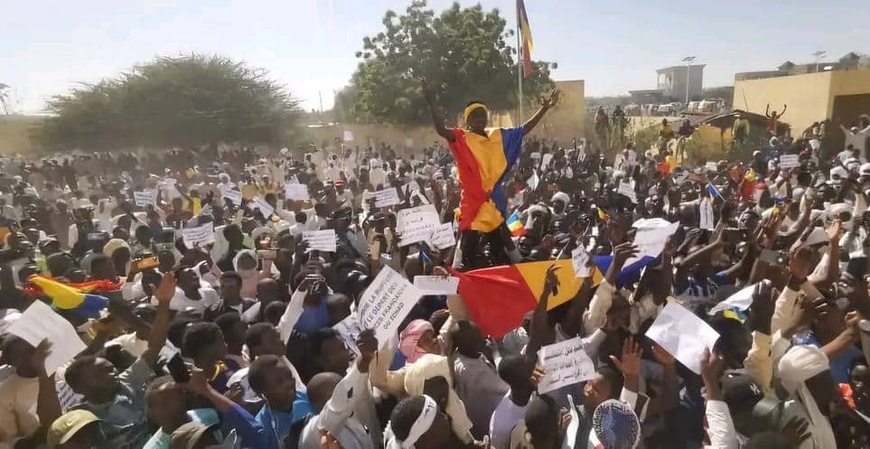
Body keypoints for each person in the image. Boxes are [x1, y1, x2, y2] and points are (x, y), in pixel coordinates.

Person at [423, 80, 559, 270]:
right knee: (466, 241)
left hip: (490, 201)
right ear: (468, 121)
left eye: (483, 116)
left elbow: (522, 130)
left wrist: (543, 110)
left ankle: (518, 268)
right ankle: (455, 271)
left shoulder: (497, 136)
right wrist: (431, 101)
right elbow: (440, 129)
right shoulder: (462, 137)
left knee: (503, 240)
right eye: (476, 117)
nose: (480, 120)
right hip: (472, 201)